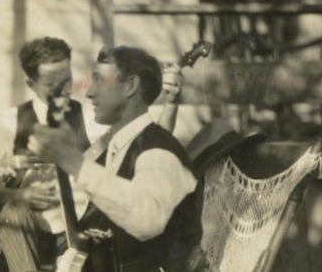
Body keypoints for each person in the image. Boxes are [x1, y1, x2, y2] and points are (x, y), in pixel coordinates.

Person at [0, 38, 186, 271]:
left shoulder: (88, 116)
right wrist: (21, 193)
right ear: (31, 83)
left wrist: (171, 104)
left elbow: (146, 142)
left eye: (66, 80)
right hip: (25, 233)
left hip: (77, 232)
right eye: (50, 84)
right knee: (13, 211)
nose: (61, 90)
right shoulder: (11, 122)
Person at [28, 46, 199, 271]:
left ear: (130, 86)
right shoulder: (114, 146)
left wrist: (72, 161)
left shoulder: (159, 153)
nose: (89, 93)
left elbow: (146, 219)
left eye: (99, 81)